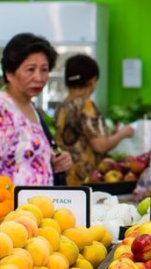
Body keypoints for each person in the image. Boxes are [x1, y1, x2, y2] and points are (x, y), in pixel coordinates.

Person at [0, 33, 72, 185]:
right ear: (9, 73)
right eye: (30, 69)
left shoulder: (29, 106)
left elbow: (25, 157)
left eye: (44, 70)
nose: (39, 78)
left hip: (38, 201)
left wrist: (54, 159)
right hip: (11, 200)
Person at [55, 54, 134, 186]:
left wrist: (111, 134)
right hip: (85, 179)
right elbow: (100, 146)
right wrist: (123, 133)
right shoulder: (85, 106)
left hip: (65, 176)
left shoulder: (61, 107)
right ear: (92, 81)